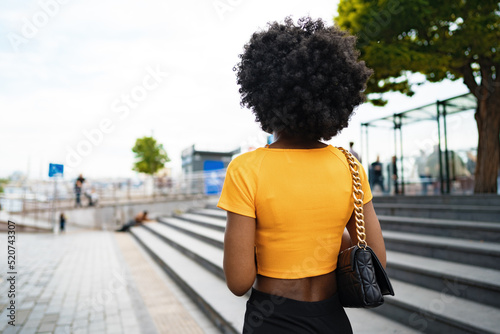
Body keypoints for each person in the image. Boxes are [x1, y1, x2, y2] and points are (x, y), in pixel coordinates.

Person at [217, 17, 386, 334]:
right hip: (333, 319)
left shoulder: (245, 169)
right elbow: (377, 259)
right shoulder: (350, 165)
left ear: (262, 94)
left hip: (271, 321)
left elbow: (238, 281)